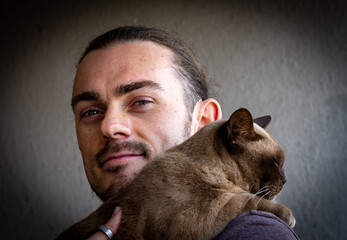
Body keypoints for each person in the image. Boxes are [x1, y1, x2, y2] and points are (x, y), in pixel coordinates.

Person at [68, 26, 299, 240]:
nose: (109, 126)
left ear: (205, 121)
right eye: (90, 112)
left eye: (141, 101)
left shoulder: (253, 231)